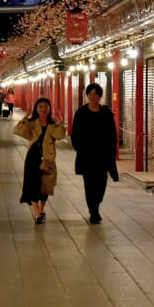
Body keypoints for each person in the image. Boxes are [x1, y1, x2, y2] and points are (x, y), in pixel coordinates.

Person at [70, 83, 119, 224]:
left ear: (100, 96)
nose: (93, 96)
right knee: (89, 184)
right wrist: (79, 148)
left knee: (101, 184)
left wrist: (111, 150)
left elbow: (112, 134)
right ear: (87, 95)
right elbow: (75, 134)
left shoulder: (106, 112)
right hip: (87, 156)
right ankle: (94, 211)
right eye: (90, 94)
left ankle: (96, 204)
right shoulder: (81, 112)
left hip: (102, 156)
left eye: (96, 94)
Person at [14, 97, 66, 224]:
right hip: (33, 157)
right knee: (32, 185)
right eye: (41, 107)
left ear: (49, 109)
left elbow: (60, 136)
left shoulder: (52, 124)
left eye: (46, 107)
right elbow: (18, 131)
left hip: (47, 158)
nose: (44, 109)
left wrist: (61, 123)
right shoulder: (32, 123)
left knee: (45, 186)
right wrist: (25, 118)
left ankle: (41, 209)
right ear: (36, 109)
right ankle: (37, 212)